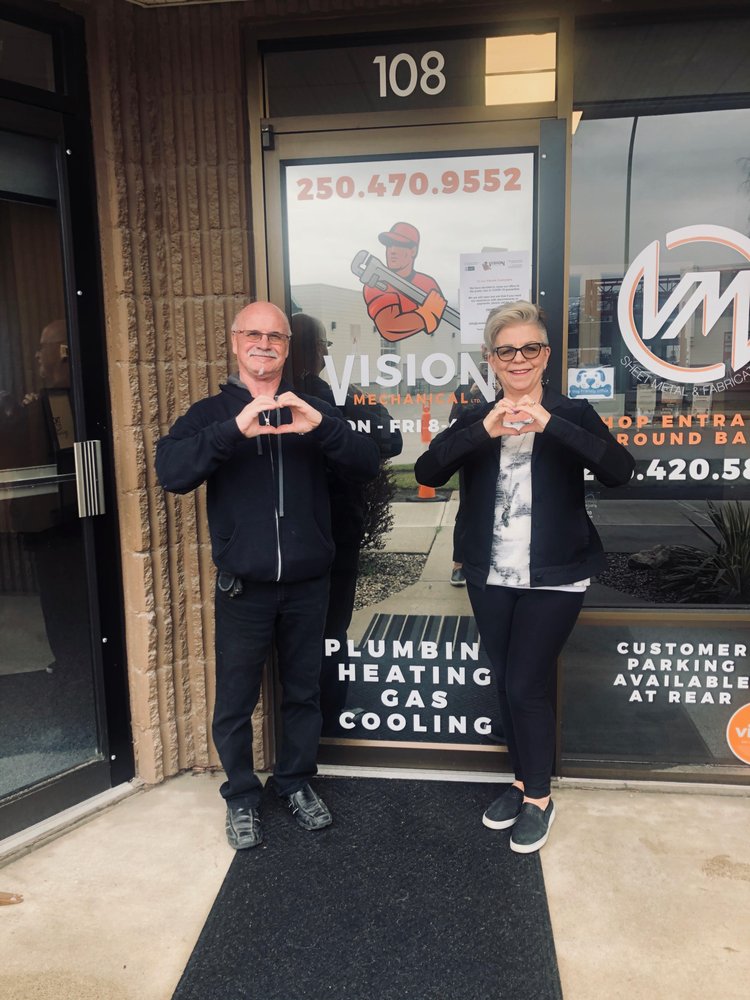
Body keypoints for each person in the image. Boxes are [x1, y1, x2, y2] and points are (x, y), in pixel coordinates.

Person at [155, 301, 380, 850]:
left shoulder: (313, 407)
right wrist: (234, 430)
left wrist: (321, 428)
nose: (264, 344)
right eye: (253, 334)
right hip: (244, 587)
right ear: (236, 342)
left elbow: (367, 462)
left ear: (287, 347)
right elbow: (171, 472)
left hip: (308, 583)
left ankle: (295, 782)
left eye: (275, 336)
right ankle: (240, 795)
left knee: (304, 692)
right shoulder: (210, 414)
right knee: (235, 700)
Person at [415, 301, 634, 853]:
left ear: (546, 355)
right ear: (491, 359)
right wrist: (483, 430)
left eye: (529, 348)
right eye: (506, 350)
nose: (519, 359)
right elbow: (427, 471)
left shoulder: (572, 411)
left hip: (555, 574)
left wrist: (551, 425)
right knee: (506, 679)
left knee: (524, 684)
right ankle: (521, 781)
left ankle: (538, 796)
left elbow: (619, 471)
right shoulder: (475, 416)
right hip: (490, 573)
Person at [288, 313, 402, 733]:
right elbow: (391, 440)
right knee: (332, 629)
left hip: (301, 535)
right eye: (323, 344)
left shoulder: (328, 396)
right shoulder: (343, 396)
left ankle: (303, 724)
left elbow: (391, 440)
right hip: (336, 531)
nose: (325, 353)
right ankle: (329, 719)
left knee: (299, 633)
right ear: (311, 350)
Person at [363, 222, 447, 342]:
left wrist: (426, 317)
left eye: (399, 245)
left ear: (413, 251)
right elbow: (389, 326)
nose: (392, 251)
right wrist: (426, 315)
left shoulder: (428, 284)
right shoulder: (377, 283)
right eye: (389, 245)